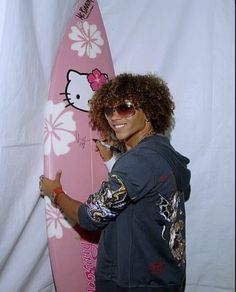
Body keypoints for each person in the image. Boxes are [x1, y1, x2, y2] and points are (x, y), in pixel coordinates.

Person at [39, 73, 191, 292]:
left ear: (148, 110)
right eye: (109, 110)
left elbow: (90, 217)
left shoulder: (137, 162)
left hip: (135, 282)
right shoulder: (164, 153)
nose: (114, 117)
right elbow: (139, 193)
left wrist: (56, 192)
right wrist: (113, 159)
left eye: (125, 108)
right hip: (166, 277)